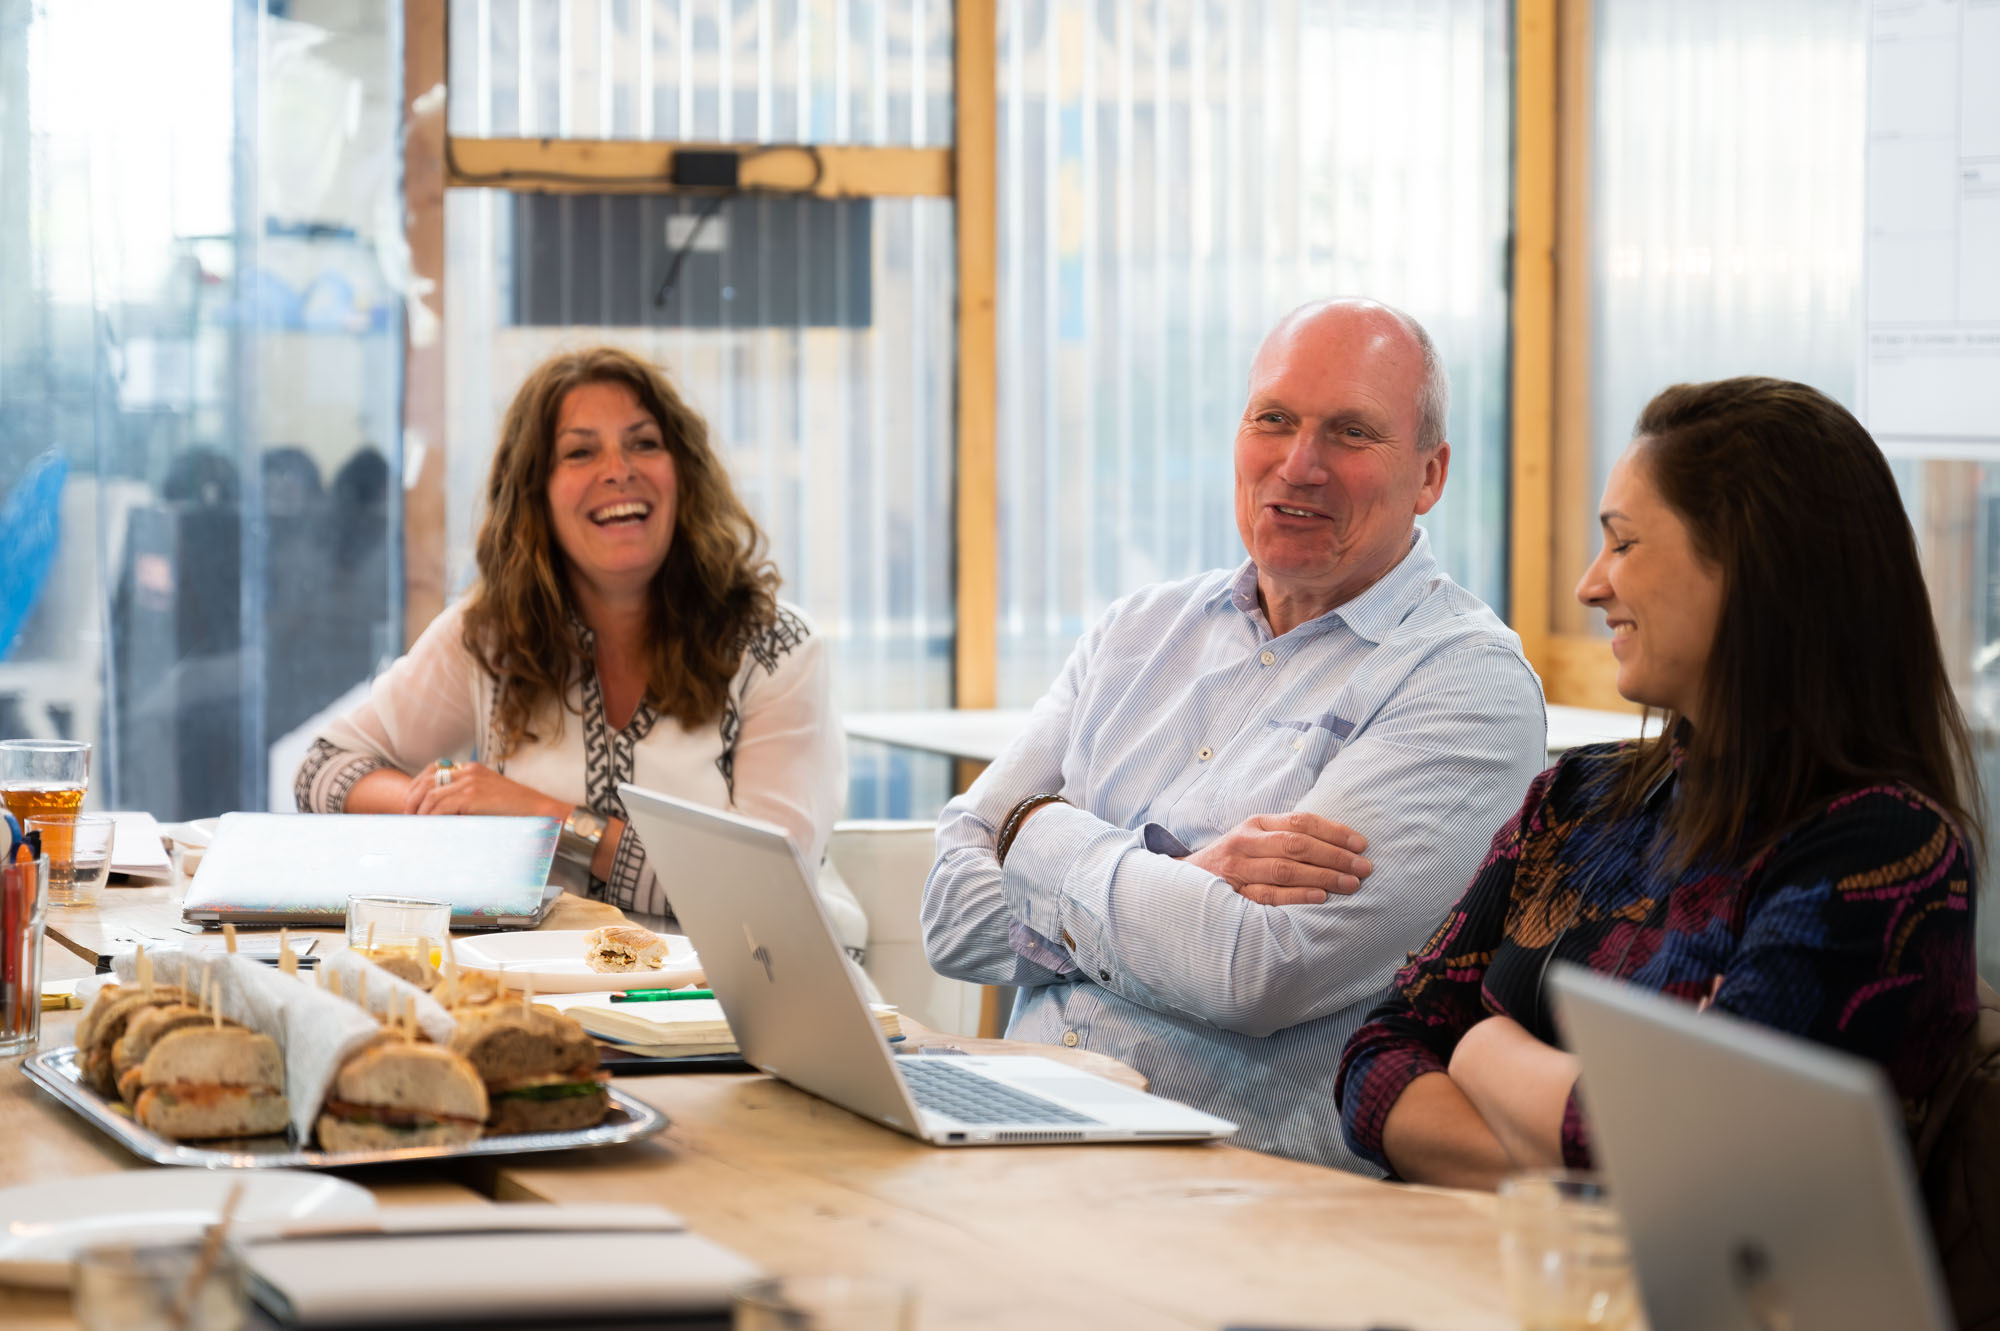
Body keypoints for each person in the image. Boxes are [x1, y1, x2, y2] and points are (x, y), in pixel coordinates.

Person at [922, 298, 1548, 1171]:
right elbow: (949, 912)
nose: (1299, 465)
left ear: (1430, 474)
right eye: (1274, 420)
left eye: (1351, 433)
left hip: (1234, 1189)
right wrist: (1179, 883)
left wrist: (1037, 835)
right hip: (1008, 1126)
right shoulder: (1138, 630)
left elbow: (1252, 970)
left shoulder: (1465, 682)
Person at [1335, 377, 1981, 1189]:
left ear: (1753, 564)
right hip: (1493, 1260)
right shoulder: (1576, 798)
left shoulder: (1883, 848)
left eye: (1624, 543)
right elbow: (1375, 1060)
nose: (1589, 584)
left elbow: (1692, 1156)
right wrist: (1583, 1163)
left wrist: (1480, 1046)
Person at [295, 346, 865, 947]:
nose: (618, 470)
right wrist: (447, 803)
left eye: (644, 443)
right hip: (538, 988)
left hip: (728, 996)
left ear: (684, 475)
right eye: (580, 452)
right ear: (535, 493)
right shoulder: (491, 634)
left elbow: (767, 895)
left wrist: (544, 820)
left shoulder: (775, 648)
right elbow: (323, 767)